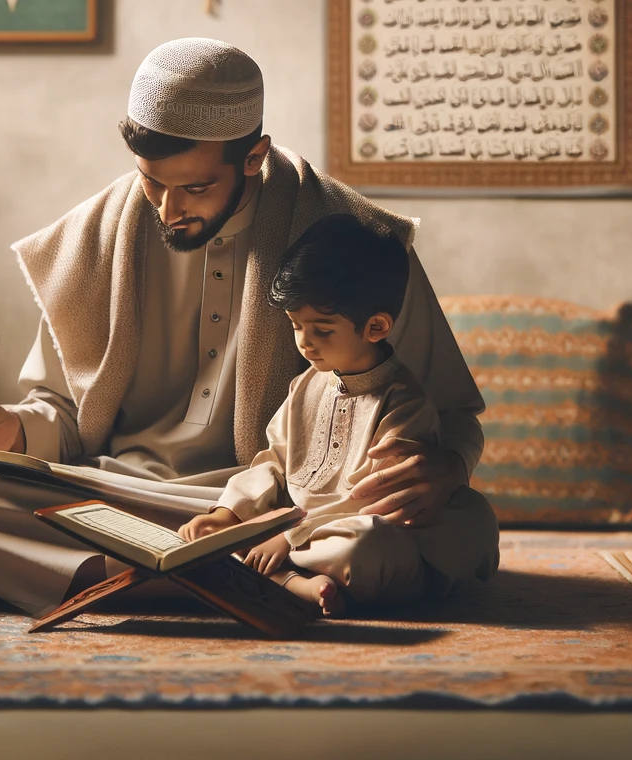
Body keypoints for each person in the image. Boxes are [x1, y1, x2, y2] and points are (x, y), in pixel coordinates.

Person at [0, 37, 498, 617]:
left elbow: (451, 417)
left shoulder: (352, 243)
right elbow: (64, 413)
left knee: (443, 529)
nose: (168, 209)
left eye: (194, 188)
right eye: (151, 183)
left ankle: (8, 572)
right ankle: (241, 585)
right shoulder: (97, 237)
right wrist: (16, 428)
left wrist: (444, 470)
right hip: (110, 493)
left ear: (254, 157)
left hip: (270, 508)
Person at [180, 214, 446, 617]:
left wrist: (290, 535)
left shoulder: (404, 403)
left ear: (375, 327)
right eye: (296, 326)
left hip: (346, 531)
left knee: (367, 546)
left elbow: (375, 502)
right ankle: (299, 585)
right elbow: (274, 461)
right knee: (213, 540)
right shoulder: (306, 385)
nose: (305, 343)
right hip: (290, 528)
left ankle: (281, 575)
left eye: (322, 330)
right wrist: (228, 513)